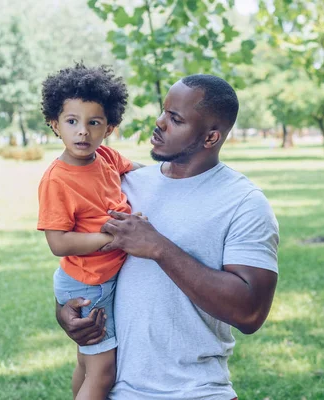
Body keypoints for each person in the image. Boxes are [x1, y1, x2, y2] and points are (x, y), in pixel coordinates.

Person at [56, 74, 280, 399]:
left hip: (198, 392)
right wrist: (66, 311)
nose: (159, 123)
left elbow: (250, 313)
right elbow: (79, 261)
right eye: (164, 111)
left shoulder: (244, 203)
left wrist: (159, 247)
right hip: (118, 391)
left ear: (210, 137)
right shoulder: (123, 184)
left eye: (175, 119)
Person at [37, 63, 143, 400]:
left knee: (86, 365)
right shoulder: (58, 179)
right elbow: (57, 241)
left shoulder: (108, 158)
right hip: (87, 282)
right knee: (102, 373)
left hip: (95, 277)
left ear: (109, 127)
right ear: (55, 125)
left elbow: (142, 173)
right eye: (72, 122)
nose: (82, 131)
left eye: (93, 122)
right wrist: (111, 239)